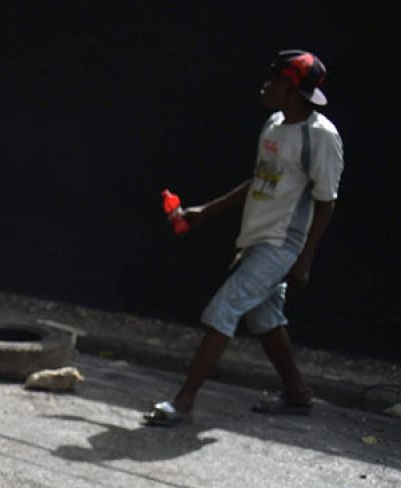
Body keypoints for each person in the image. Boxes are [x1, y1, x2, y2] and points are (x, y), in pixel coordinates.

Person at [145, 49, 344, 426]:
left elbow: (326, 202)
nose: (264, 87)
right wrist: (206, 211)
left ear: (290, 90)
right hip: (256, 236)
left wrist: (305, 260)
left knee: (224, 308)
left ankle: (184, 401)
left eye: (273, 81)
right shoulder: (273, 124)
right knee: (264, 316)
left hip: (283, 243)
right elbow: (261, 179)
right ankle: (298, 392)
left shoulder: (321, 138)